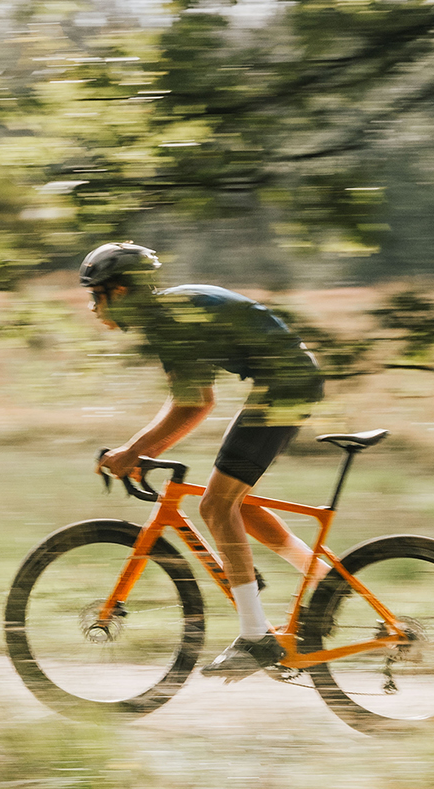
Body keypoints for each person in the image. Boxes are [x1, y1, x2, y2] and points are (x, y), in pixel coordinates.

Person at [80, 241, 327, 681]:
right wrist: (142, 451)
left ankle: (255, 636)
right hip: (288, 381)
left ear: (118, 292)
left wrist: (133, 452)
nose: (92, 307)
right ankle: (324, 579)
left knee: (216, 505)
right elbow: (197, 401)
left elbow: (193, 406)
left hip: (286, 385)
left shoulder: (170, 320)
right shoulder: (170, 312)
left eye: (95, 295)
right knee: (235, 502)